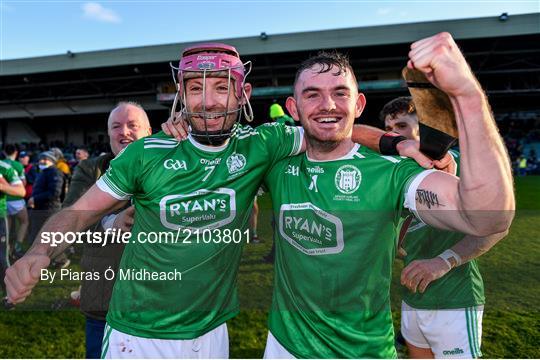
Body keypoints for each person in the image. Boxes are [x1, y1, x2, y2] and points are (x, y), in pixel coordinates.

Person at [7, 43, 430, 358]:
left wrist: (396, 144)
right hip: (137, 334)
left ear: (242, 95)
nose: (208, 101)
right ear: (181, 96)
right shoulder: (147, 153)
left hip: (212, 335)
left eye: (222, 88)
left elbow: (334, 127)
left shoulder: (264, 143)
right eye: (195, 88)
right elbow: (79, 211)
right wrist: (38, 253)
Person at [261, 33, 513, 358]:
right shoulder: (277, 163)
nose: (327, 104)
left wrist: (468, 97)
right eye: (312, 95)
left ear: (359, 104)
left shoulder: (391, 173)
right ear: (293, 108)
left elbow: (486, 217)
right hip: (285, 346)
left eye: (341, 93)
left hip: (364, 350)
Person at [382, 96, 506, 358]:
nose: (395, 135)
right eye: (389, 129)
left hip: (455, 299)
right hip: (413, 296)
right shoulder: (396, 174)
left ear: (424, 127)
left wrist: (443, 261)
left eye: (402, 126)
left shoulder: (455, 165)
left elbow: (497, 226)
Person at [61, 101, 151, 359]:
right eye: (116, 126)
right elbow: (69, 222)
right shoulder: (91, 169)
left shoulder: (168, 170)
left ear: (148, 131)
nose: (124, 131)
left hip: (159, 300)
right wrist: (112, 222)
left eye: (132, 125)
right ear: (109, 134)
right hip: (105, 300)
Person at [28, 151, 69, 268]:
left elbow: (54, 192)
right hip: (42, 209)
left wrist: (35, 199)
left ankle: (60, 259)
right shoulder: (45, 172)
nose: (42, 161)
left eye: (45, 159)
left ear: (52, 161)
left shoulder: (54, 172)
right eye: (41, 159)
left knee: (47, 237)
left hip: (49, 209)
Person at [0, 159, 26, 300]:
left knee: (1, 258)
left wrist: (2, 186)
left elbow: (21, 191)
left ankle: (9, 292)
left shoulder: (5, 168)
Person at [3, 145, 28, 259]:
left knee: (7, 228)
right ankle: (17, 247)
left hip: (4, 200)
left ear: (4, 152)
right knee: (24, 222)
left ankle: (7, 249)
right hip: (16, 200)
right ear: (16, 152)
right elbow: (23, 184)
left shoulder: (1, 163)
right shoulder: (18, 165)